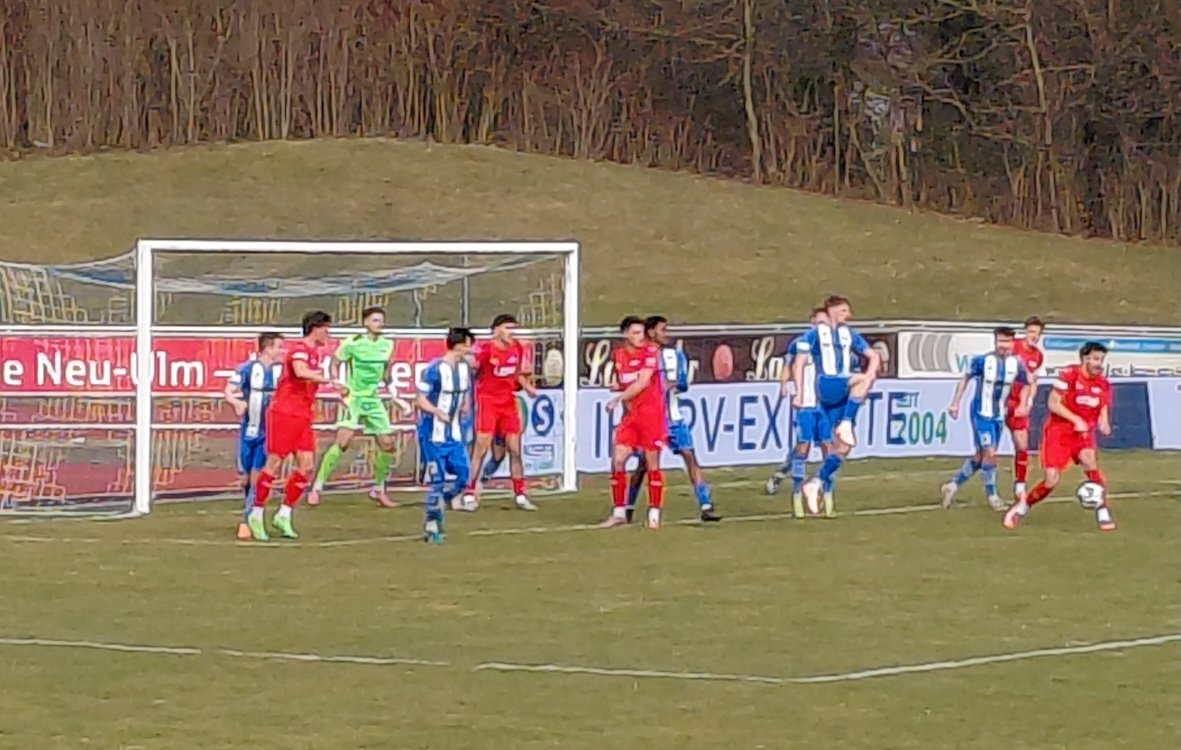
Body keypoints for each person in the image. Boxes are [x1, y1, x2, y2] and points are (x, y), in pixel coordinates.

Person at [1003, 342, 1115, 531]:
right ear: (1085, 359)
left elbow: (1102, 405)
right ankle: (1022, 507)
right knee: (1051, 479)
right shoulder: (1068, 375)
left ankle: (1103, 510)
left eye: (1101, 360)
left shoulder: (1103, 384)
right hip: (1058, 432)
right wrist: (1075, 419)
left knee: (1090, 463)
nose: (1099, 364)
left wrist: (1104, 422)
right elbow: (1053, 403)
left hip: (1082, 434)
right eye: (1096, 359)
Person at [246, 311, 333, 541]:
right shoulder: (299, 350)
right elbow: (300, 372)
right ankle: (256, 513)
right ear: (316, 328)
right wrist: (327, 380)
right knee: (274, 463)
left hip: (303, 415)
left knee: (307, 465)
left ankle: (284, 514)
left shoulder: (314, 353)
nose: (329, 333)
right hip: (285, 413)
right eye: (327, 328)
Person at [791, 295, 881, 517]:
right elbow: (799, 363)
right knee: (860, 380)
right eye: (843, 311)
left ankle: (816, 482)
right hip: (827, 384)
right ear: (831, 311)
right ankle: (847, 422)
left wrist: (871, 373)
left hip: (840, 395)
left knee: (843, 447)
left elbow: (874, 355)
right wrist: (799, 392)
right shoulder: (814, 334)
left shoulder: (849, 334)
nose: (848, 316)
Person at [626, 315, 720, 523]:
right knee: (643, 465)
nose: (667, 334)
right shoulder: (640, 356)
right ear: (651, 332)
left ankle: (706, 505)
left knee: (689, 456)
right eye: (663, 330)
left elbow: (683, 383)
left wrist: (670, 384)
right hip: (650, 419)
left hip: (674, 419)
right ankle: (628, 508)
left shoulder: (674, 355)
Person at [308, 306, 399, 508]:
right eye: (375, 320)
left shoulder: (387, 344)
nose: (379, 324)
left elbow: (386, 371)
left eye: (381, 320)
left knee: (388, 444)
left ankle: (379, 489)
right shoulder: (353, 343)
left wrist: (393, 391)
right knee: (343, 442)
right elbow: (334, 362)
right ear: (366, 323)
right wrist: (338, 385)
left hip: (373, 399)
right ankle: (317, 487)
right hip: (354, 398)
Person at [941, 327, 1031, 511]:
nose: (1003, 345)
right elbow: (965, 379)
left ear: (1012, 343)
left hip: (999, 416)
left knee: (982, 456)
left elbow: (1027, 384)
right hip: (981, 414)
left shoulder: (1017, 363)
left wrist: (1023, 403)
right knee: (990, 452)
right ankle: (992, 495)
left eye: (1007, 341)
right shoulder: (982, 361)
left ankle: (953, 485)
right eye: (1000, 341)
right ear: (995, 342)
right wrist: (955, 403)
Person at [461, 314, 538, 512]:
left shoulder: (517, 348)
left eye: (513, 328)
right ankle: (469, 493)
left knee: (515, 449)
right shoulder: (486, 350)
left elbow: (516, 374)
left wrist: (528, 387)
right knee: (481, 448)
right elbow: (473, 370)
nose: (511, 332)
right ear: (496, 330)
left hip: (508, 402)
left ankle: (520, 494)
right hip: (487, 401)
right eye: (507, 328)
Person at [601, 316, 667, 529]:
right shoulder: (619, 355)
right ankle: (619, 513)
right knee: (618, 460)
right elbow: (626, 382)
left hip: (651, 416)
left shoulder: (651, 352)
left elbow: (643, 382)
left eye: (642, 333)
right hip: (630, 417)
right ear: (625, 334)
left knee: (652, 464)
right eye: (636, 333)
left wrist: (618, 398)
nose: (641, 337)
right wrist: (618, 388)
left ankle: (654, 514)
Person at [766, 307, 829, 519]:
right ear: (812, 324)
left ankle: (820, 488)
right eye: (818, 323)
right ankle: (794, 490)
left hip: (825, 406)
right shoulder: (800, 344)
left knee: (828, 448)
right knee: (804, 446)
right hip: (805, 404)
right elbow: (788, 365)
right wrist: (784, 384)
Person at [416, 328, 475, 544]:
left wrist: (466, 404)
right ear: (458, 345)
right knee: (437, 480)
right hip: (433, 435)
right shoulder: (434, 369)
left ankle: (444, 501)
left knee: (464, 477)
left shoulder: (464, 368)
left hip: (455, 434)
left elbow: (466, 391)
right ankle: (432, 525)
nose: (471, 348)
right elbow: (420, 399)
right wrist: (437, 412)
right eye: (468, 344)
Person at [224, 332, 284, 540]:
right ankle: (251, 511)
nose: (282, 351)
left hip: (269, 433)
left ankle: (247, 520)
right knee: (246, 480)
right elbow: (228, 390)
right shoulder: (247, 368)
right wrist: (237, 402)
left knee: (258, 477)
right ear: (267, 348)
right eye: (279, 347)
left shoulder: (282, 372)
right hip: (248, 431)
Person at [1007, 316, 1046, 501]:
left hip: (1019, 404)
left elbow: (1033, 382)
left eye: (1037, 333)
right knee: (987, 450)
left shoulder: (1038, 356)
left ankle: (1020, 485)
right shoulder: (1012, 347)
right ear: (1025, 332)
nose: (1034, 336)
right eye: (1031, 332)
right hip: (1000, 401)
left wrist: (1029, 402)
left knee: (1022, 445)